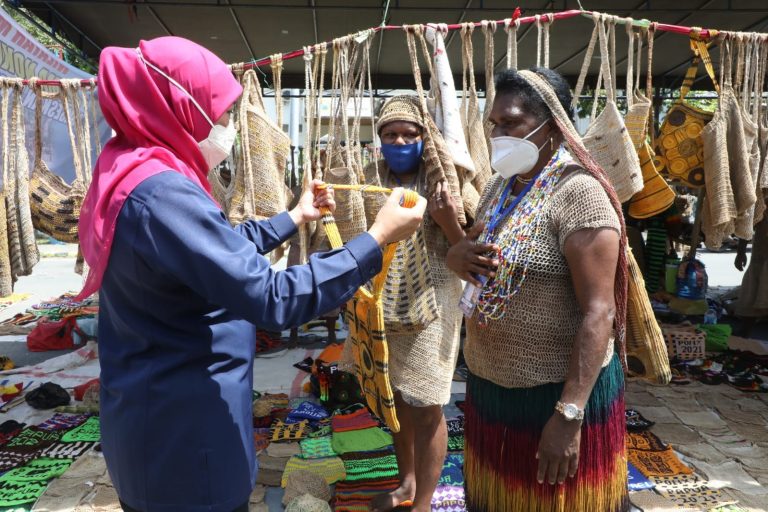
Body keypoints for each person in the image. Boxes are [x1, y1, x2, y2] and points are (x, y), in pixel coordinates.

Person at [76, 37, 426, 512]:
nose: (226, 132)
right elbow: (272, 297)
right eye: (219, 118)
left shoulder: (130, 166)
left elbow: (211, 250)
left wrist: (294, 217)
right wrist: (376, 238)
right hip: (183, 437)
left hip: (155, 418)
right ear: (181, 108)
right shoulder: (162, 194)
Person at [446, 68, 629, 512]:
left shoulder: (579, 194)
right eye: (494, 123)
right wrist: (456, 257)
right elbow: (474, 250)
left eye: (510, 123)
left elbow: (599, 311)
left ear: (554, 124)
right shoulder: (500, 187)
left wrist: (569, 415)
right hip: (493, 387)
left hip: (554, 394)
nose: (496, 133)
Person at [341, 96, 464, 512]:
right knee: (394, 399)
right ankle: (407, 482)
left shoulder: (447, 179)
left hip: (433, 307)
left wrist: (448, 218)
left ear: (424, 138)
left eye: (409, 134)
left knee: (427, 405)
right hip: (381, 308)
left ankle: (424, 503)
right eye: (390, 134)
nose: (399, 141)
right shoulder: (368, 179)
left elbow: (472, 239)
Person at [734, 191, 768, 337]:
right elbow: (748, 224)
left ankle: (746, 329)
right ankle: (746, 329)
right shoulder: (762, 199)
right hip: (761, 254)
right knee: (754, 289)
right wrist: (741, 251)